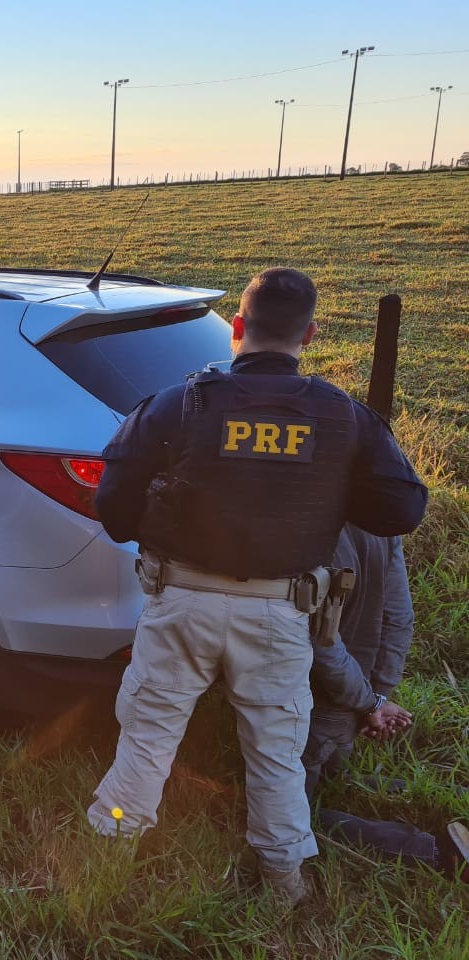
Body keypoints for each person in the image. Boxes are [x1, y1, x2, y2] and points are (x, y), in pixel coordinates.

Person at [86, 267, 428, 903]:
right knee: (275, 758)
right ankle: (283, 882)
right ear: (311, 334)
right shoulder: (344, 416)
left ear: (238, 329)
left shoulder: (177, 403)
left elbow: (113, 508)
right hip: (279, 615)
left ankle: (110, 853)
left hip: (179, 603)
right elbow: (402, 510)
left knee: (148, 739)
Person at [307, 524, 468, 879]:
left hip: (316, 705)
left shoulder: (310, 517)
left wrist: (370, 703)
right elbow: (400, 617)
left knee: (286, 813)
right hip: (350, 704)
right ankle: (453, 792)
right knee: (338, 779)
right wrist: (378, 696)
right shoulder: (380, 511)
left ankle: (440, 854)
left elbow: (319, 642)